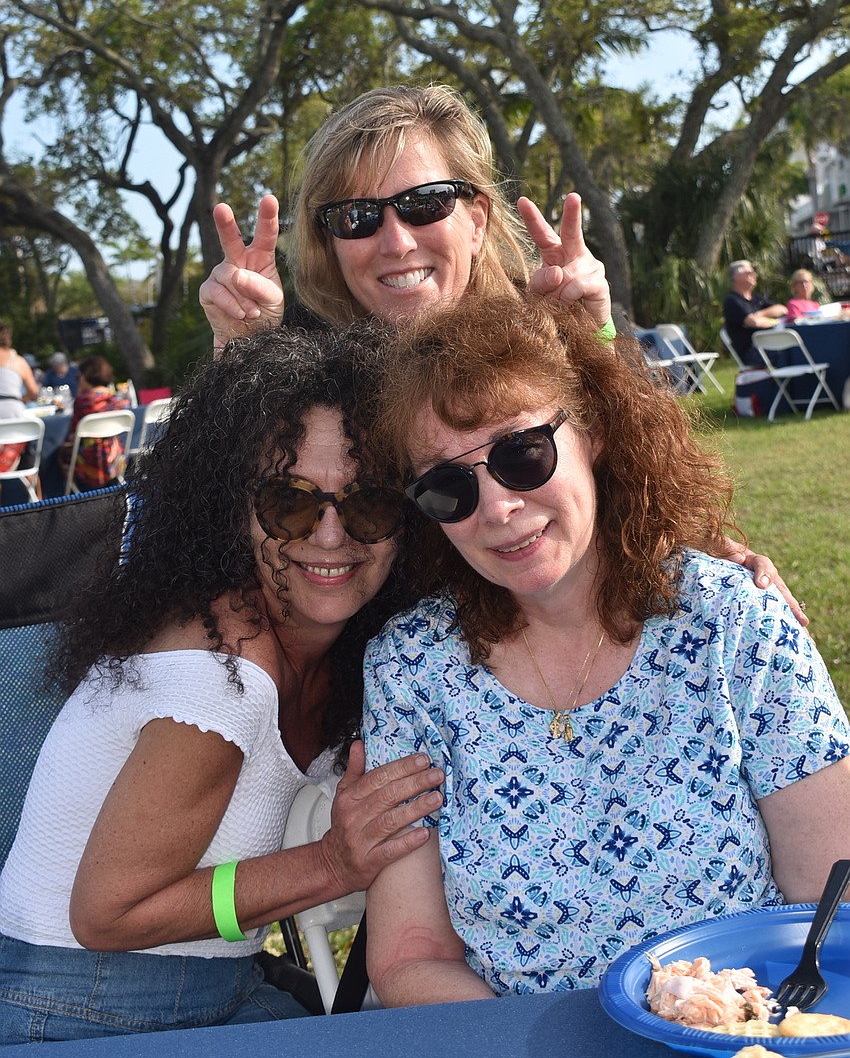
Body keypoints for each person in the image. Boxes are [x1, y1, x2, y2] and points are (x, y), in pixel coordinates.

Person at [362, 291, 850, 1003]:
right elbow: (410, 957)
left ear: (590, 432)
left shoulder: (731, 621)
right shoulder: (411, 670)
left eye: (522, 454)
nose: (497, 507)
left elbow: (828, 910)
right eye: (447, 486)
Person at [199, 84, 804, 624]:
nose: (396, 241)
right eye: (357, 217)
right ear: (330, 243)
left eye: (425, 203)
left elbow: (634, 478)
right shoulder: (313, 372)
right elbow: (227, 529)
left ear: (477, 219)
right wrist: (239, 359)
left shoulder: (544, 328)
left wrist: (593, 340)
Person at [0, 324, 442, 1043]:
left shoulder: (346, 649)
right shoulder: (218, 674)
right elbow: (106, 914)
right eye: (289, 503)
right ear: (233, 512)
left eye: (370, 504)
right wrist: (330, 864)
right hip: (67, 1006)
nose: (331, 536)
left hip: (220, 988)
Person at [57, 354, 125, 490]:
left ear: (84, 377)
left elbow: (74, 433)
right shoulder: (115, 400)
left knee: (60, 454)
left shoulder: (83, 401)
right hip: (116, 459)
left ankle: (72, 495)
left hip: (91, 461)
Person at [722, 260, 788, 366]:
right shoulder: (732, 301)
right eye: (748, 272)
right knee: (792, 352)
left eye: (753, 272)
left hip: (770, 345)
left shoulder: (757, 298)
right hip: (752, 352)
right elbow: (754, 322)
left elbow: (782, 309)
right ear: (735, 278)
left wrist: (759, 314)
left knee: (798, 348)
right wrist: (775, 321)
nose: (753, 275)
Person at [0, 320, 40, 480]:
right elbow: (34, 392)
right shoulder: (18, 361)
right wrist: (21, 399)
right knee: (30, 460)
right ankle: (34, 492)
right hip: (16, 423)